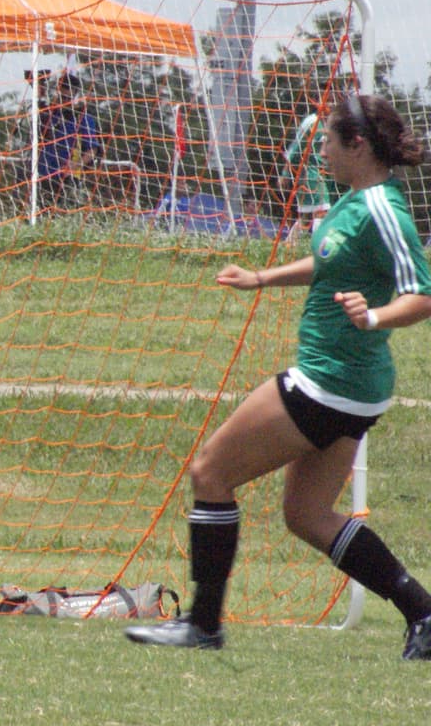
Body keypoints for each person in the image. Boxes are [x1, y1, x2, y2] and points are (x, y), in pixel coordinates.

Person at [125, 93, 431, 660]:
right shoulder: (352, 202)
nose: (320, 153)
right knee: (307, 516)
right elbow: (331, 262)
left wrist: (376, 316)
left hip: (329, 380)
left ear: (357, 145)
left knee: (211, 471)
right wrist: (261, 278)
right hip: (350, 386)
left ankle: (204, 624)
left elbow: (422, 292)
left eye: (328, 142)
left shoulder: (385, 209)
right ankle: (423, 611)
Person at [35, 72, 101, 210]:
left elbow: (92, 149)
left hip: (68, 177)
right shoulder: (49, 114)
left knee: (63, 212)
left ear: (75, 96)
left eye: (67, 98)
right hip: (43, 173)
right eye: (61, 96)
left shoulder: (82, 118)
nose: (64, 100)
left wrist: (76, 164)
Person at [280, 105, 338, 243]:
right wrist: (286, 173)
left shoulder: (328, 123)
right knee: (322, 213)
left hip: (320, 174)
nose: (330, 103)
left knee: (306, 217)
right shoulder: (312, 122)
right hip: (310, 175)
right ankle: (317, 247)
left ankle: (289, 244)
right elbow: (295, 147)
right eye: (327, 99)